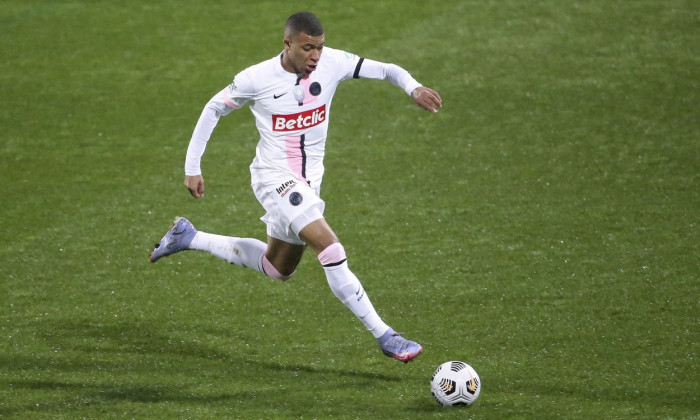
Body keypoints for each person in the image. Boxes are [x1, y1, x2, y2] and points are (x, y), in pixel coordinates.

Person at [150, 11, 442, 363]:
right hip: (274, 178)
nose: (315, 56)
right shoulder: (256, 78)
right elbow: (214, 107)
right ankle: (386, 335)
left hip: (309, 183)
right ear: (287, 44)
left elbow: (388, 69)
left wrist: (413, 87)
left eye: (319, 47)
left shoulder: (332, 63)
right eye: (307, 48)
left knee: (278, 268)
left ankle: (189, 237)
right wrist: (192, 167)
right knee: (330, 248)